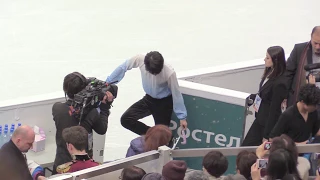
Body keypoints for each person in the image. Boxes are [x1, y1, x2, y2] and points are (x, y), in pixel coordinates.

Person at [106, 51, 188, 136]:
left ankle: (159, 137)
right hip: (148, 99)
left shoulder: (169, 72)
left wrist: (182, 117)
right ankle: (153, 136)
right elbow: (123, 67)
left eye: (157, 73)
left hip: (164, 104)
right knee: (126, 120)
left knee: (161, 136)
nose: (154, 75)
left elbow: (176, 93)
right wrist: (108, 83)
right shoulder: (140, 58)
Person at [52, 72, 116, 174]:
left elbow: (70, 114)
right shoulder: (92, 112)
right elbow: (102, 129)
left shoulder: (57, 108)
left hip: (61, 159)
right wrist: (105, 107)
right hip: (84, 162)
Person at [242, 46, 287, 146]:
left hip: (266, 125)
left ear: (275, 60)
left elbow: (274, 110)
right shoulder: (269, 72)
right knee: (246, 148)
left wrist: (267, 135)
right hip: (259, 119)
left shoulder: (280, 83)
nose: (264, 59)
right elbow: (264, 93)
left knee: (248, 148)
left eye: (267, 57)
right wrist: (253, 97)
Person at [285, 26, 320, 107]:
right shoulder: (299, 49)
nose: (318, 47)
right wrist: (284, 96)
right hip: (301, 101)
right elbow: (288, 73)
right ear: (311, 37)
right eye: (315, 43)